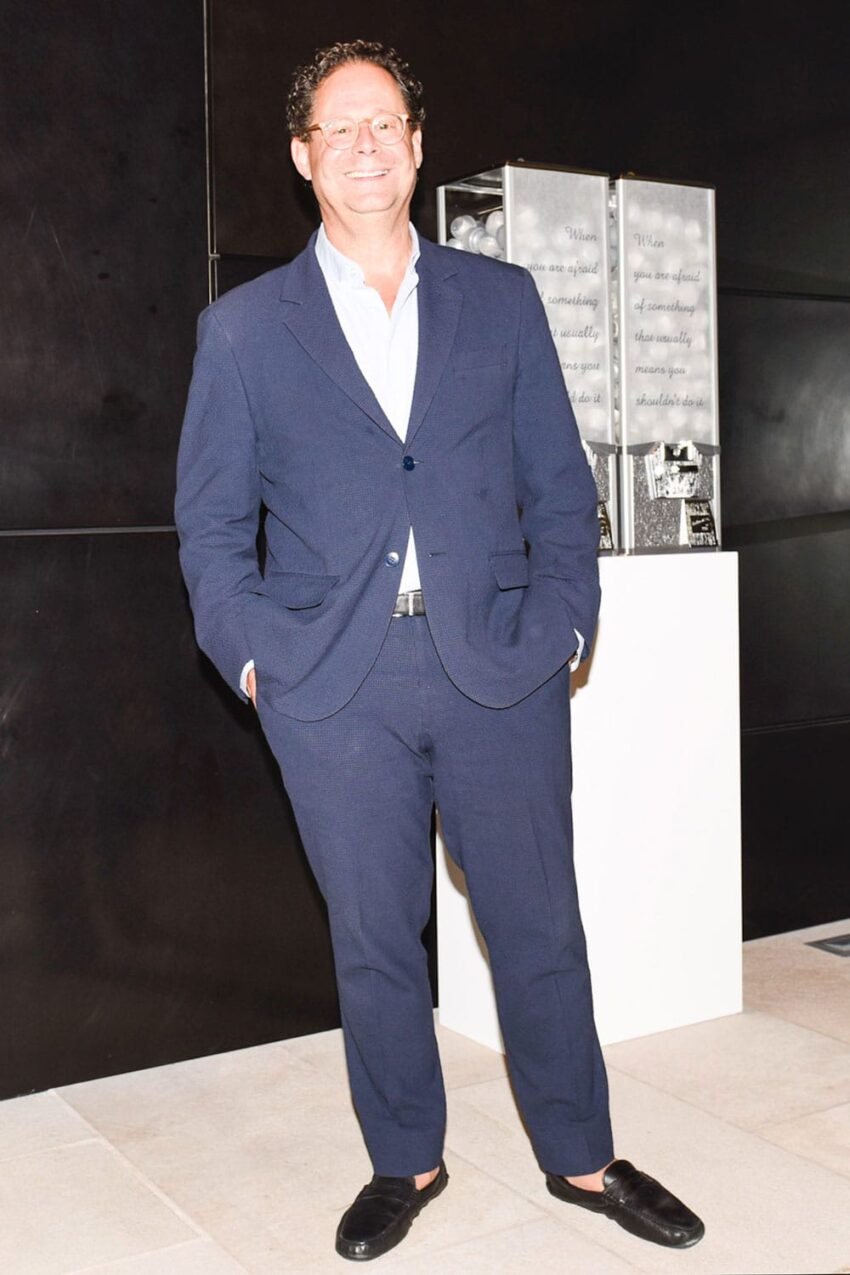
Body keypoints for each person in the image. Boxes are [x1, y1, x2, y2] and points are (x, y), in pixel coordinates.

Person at [175, 39, 704, 1263]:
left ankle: (583, 1156)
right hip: (331, 684)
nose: (364, 145)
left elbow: (560, 488)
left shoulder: (500, 301)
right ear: (303, 155)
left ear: (417, 147)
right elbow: (209, 527)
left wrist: (565, 625)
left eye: (385, 124)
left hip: (500, 666)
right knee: (373, 938)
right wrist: (255, 661)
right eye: (338, 128)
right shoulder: (242, 332)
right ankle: (404, 1160)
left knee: (538, 924)